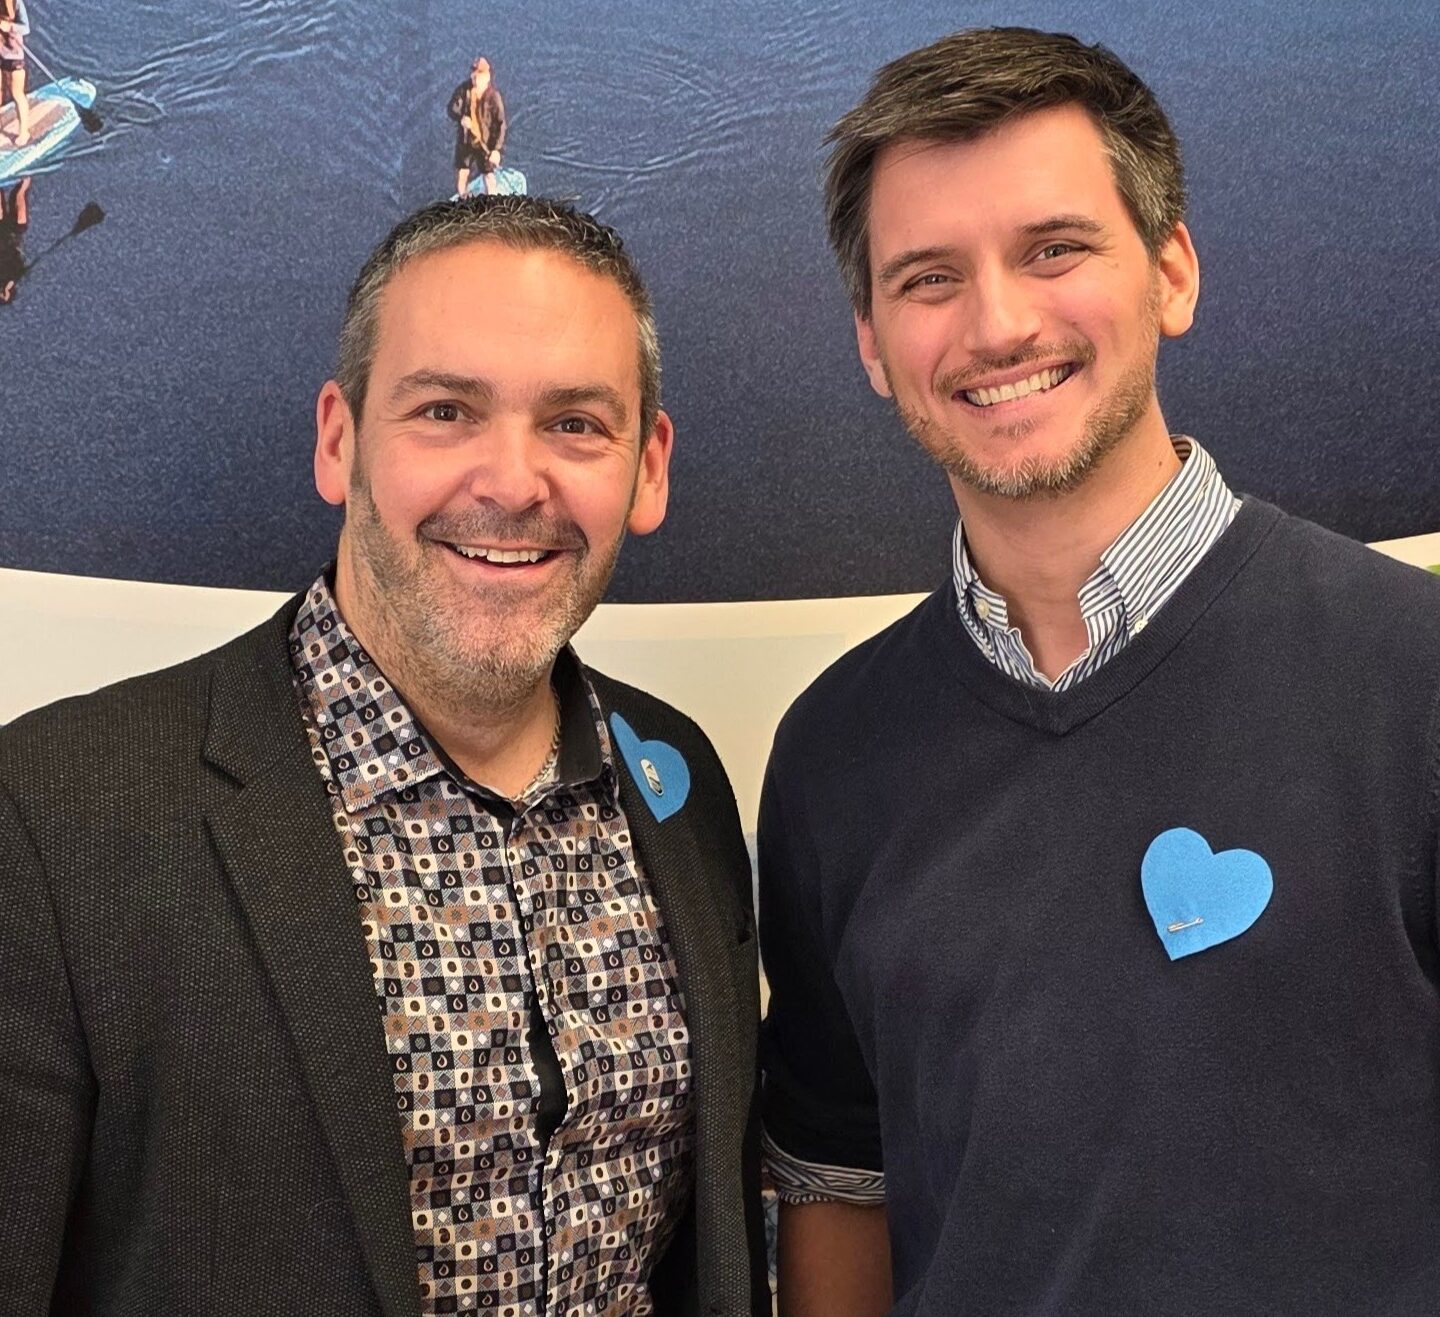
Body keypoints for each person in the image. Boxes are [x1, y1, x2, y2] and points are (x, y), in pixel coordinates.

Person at [759, 26, 1440, 1317]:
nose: (999, 323)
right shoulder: (833, 753)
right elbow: (840, 1183)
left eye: (1054, 250)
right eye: (928, 278)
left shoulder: (1414, 675)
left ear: (1171, 273)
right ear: (872, 344)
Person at [0, 195, 769, 1316]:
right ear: (339, 439)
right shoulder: (54, 814)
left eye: (574, 424)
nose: (512, 482)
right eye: (446, 411)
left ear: (647, 467)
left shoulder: (677, 785)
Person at [448, 57, 506, 198]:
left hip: (485, 143)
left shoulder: (494, 97)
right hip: (466, 141)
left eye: (478, 75)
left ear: (487, 77)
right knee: (462, 172)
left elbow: (501, 124)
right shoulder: (464, 91)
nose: (474, 78)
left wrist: (496, 150)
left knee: (489, 175)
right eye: (473, 75)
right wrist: (461, 118)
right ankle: (463, 199)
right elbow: (451, 108)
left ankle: (492, 202)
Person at [0, 0, 31, 147]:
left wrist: (10, 27)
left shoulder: (16, 3)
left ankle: (24, 132)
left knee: (17, 93)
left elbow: (26, 29)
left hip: (14, 55)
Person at [0, 173, 28, 302]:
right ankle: (26, 173)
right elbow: (19, 261)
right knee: (18, 195)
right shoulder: (16, 275)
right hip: (14, 233)